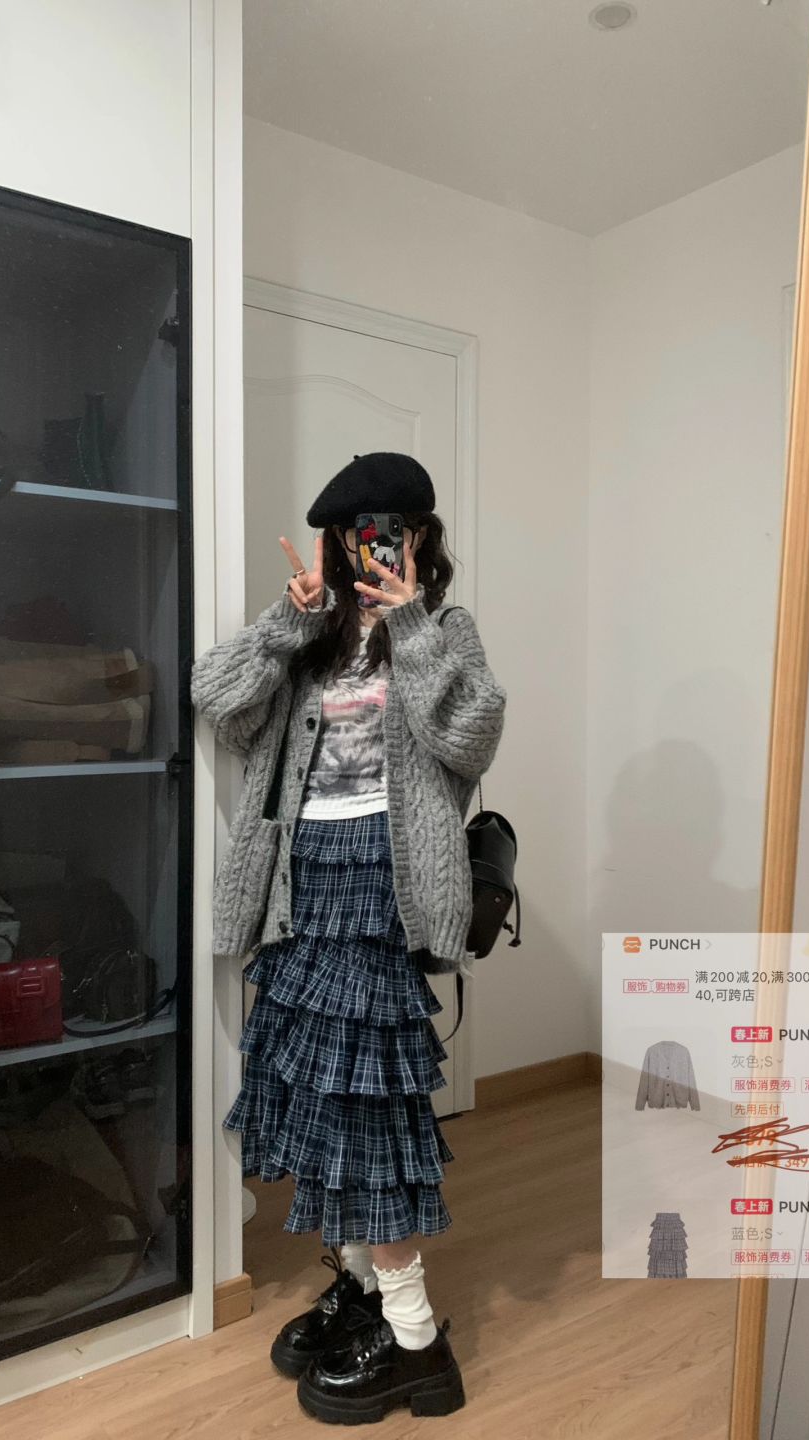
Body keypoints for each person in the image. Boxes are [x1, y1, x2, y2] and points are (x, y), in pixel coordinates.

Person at [190, 451, 507, 1425]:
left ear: (420, 538)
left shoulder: (444, 628)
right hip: (302, 890)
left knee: (370, 1120)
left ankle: (416, 1344)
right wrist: (288, 622)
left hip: (382, 891)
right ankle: (367, 1290)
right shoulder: (312, 639)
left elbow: (471, 735)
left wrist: (407, 624)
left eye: (391, 530)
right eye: (354, 534)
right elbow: (217, 698)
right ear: (332, 544)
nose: (372, 547)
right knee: (330, 1106)